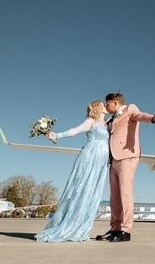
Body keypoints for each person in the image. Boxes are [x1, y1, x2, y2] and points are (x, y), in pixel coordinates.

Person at [96, 93, 155, 243]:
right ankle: (115, 229)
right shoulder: (111, 119)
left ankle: (125, 230)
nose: (106, 106)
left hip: (127, 156)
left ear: (115, 103)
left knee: (125, 193)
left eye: (107, 104)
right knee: (114, 197)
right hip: (113, 158)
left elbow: (140, 116)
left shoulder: (129, 109)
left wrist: (153, 118)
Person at [35, 100, 109, 242]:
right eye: (102, 104)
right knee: (82, 187)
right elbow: (75, 131)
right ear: (97, 108)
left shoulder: (106, 124)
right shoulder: (91, 121)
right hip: (91, 156)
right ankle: (68, 226)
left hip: (102, 161)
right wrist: (57, 135)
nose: (105, 106)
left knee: (93, 192)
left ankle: (81, 227)